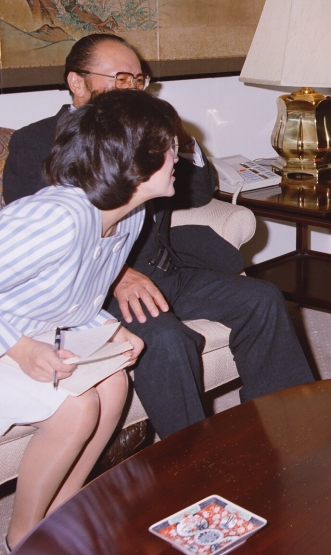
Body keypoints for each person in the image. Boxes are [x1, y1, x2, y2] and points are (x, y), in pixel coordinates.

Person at [3, 34, 314, 439]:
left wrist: (181, 141)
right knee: (166, 339)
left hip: (165, 269)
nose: (132, 88)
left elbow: (197, 192)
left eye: (138, 79)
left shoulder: (144, 134)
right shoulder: (36, 141)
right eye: (120, 78)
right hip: (101, 290)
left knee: (263, 299)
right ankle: (189, 462)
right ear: (77, 83)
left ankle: (286, 429)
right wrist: (121, 275)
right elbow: (52, 242)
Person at [0, 91, 179, 551]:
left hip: (30, 330)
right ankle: (22, 539)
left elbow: (70, 299)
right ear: (134, 159)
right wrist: (21, 348)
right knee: (75, 406)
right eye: (171, 146)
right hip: (8, 338)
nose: (180, 155)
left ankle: (61, 512)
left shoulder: (129, 217)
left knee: (115, 381)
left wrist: (113, 329)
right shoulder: (58, 217)